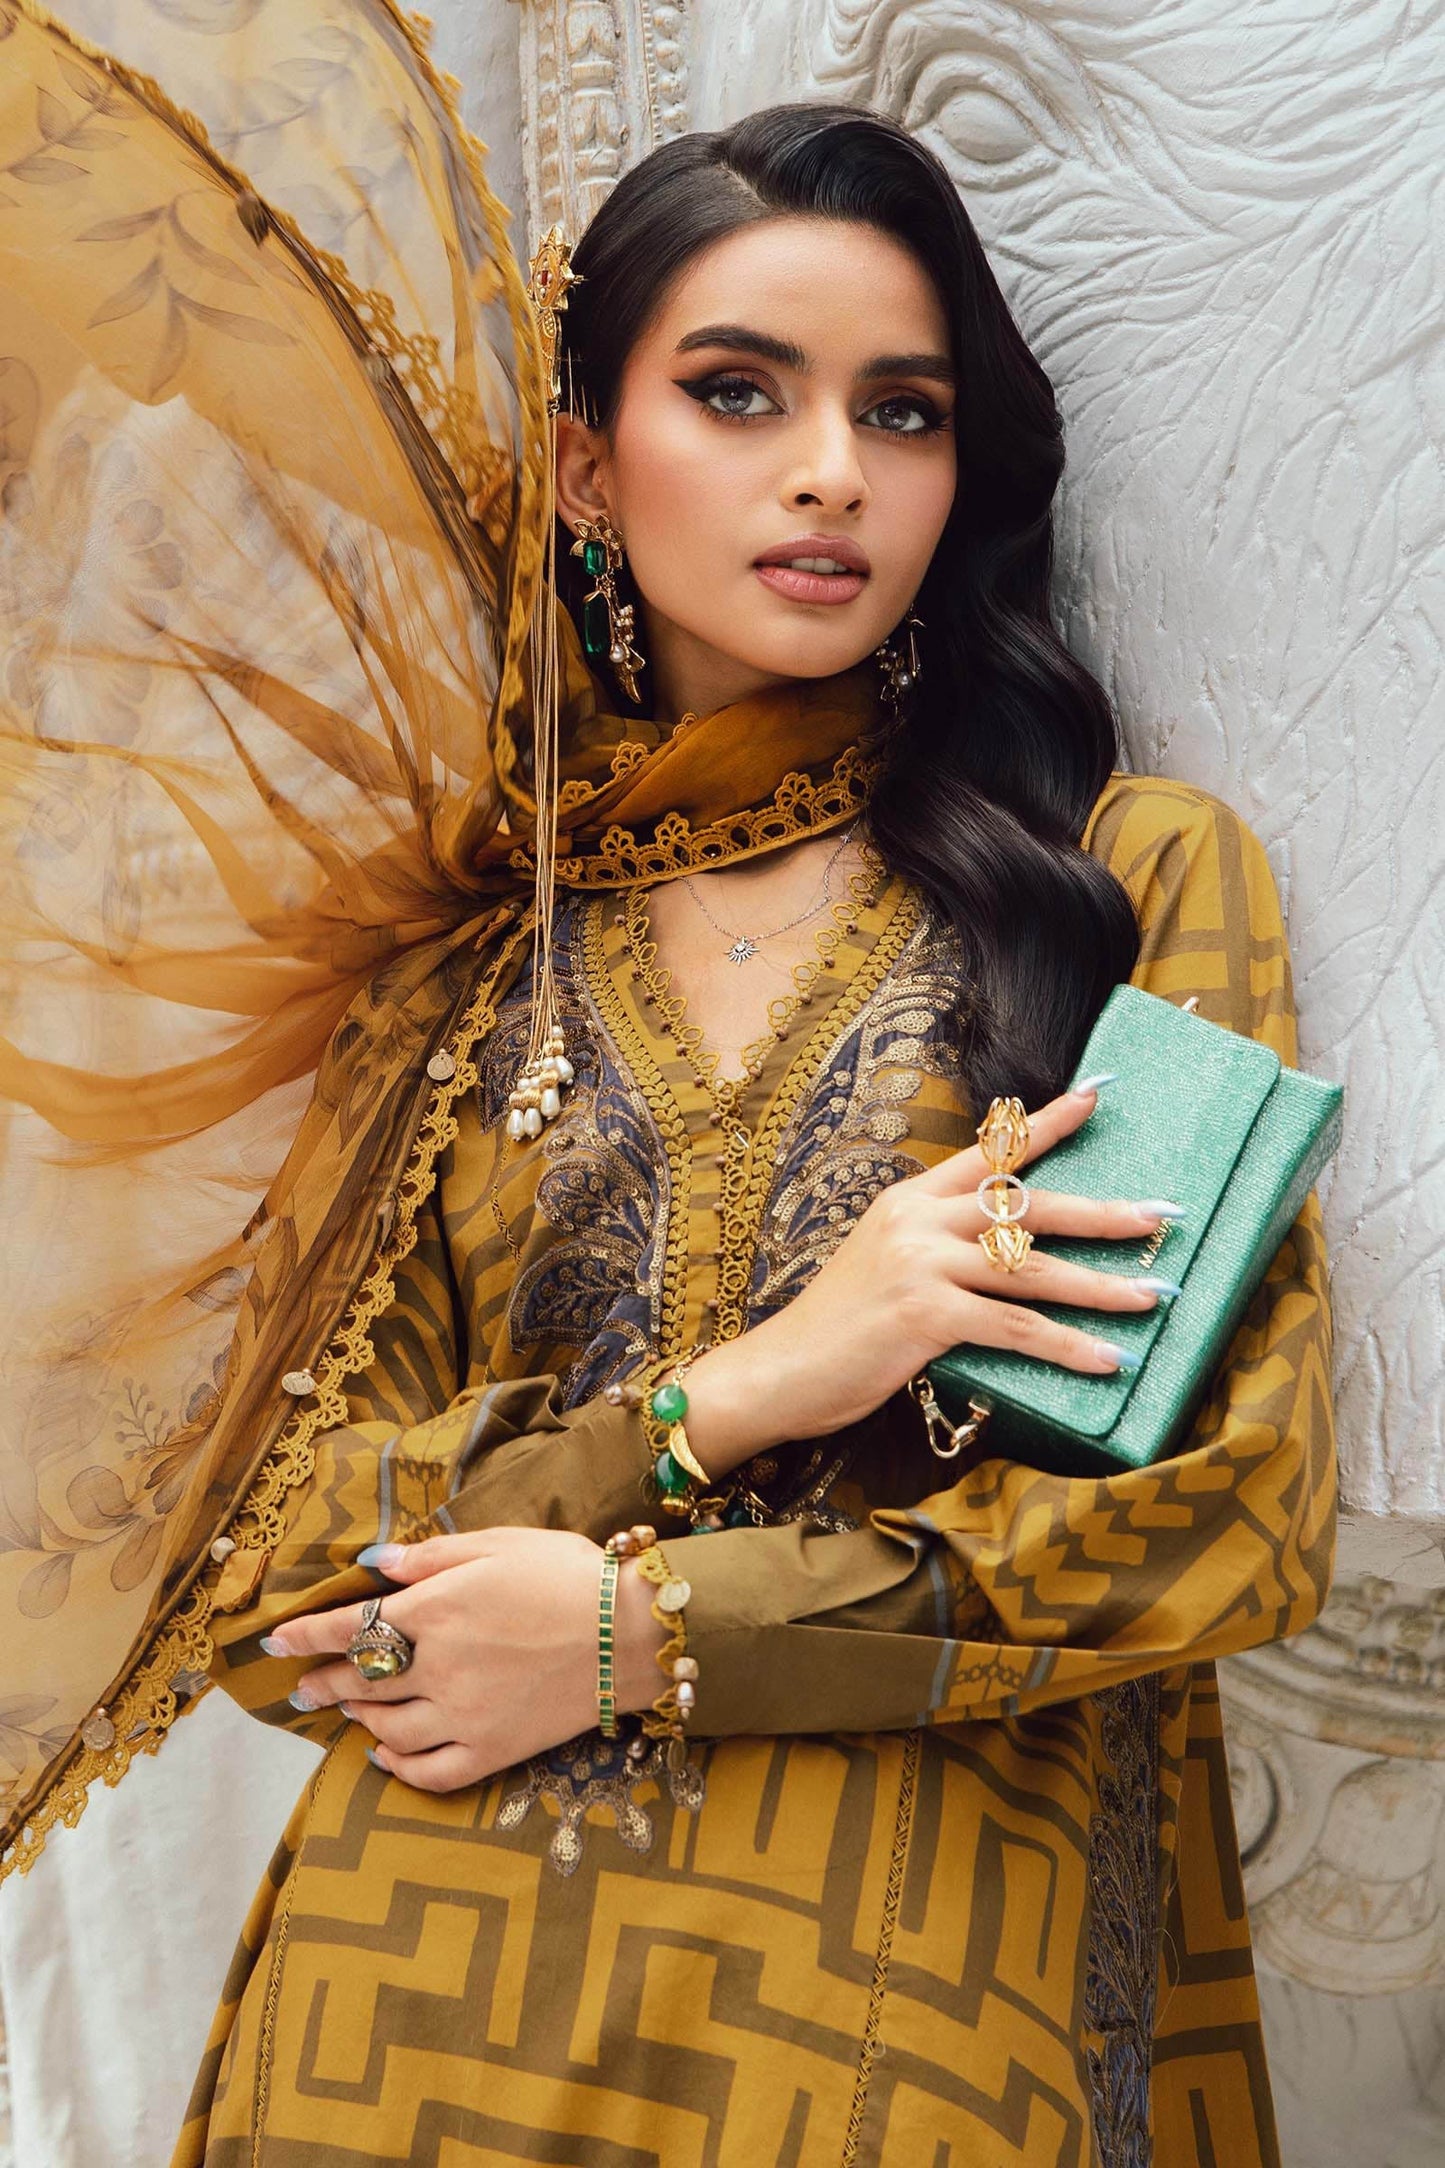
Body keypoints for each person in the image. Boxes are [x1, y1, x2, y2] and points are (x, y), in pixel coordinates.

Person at [0, 8, 1334, 2164]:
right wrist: (749, 1392)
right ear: (591, 466)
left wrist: (630, 1632)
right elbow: (272, 1588)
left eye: (899, 413)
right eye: (740, 392)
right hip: (418, 2011)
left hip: (902, 2017)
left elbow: (1215, 1522)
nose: (832, 469)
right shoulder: (457, 958)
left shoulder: (1121, 887)